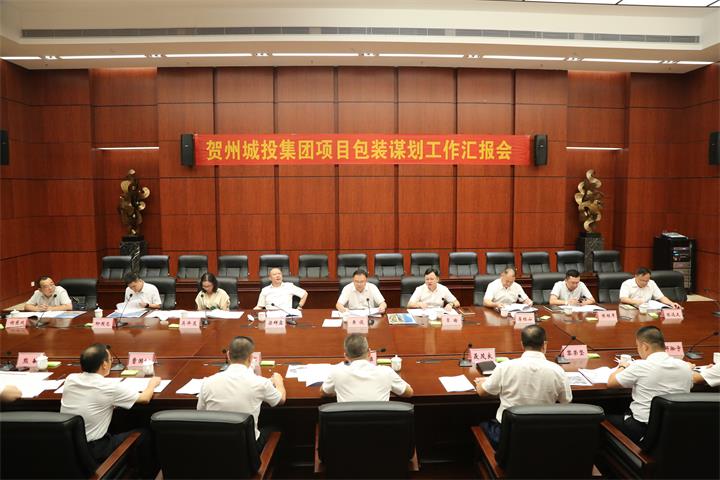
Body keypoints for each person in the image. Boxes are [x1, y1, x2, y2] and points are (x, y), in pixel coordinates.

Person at [61, 344, 161, 478]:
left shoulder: (70, 379)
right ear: (104, 364)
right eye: (110, 360)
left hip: (69, 448)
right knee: (144, 434)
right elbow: (144, 398)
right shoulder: (109, 387)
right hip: (96, 449)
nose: (111, 362)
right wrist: (152, 383)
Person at [475, 324, 571, 449]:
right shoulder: (558, 371)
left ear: (522, 344)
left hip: (508, 434)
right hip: (543, 436)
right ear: (544, 344)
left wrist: (480, 383)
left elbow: (482, 392)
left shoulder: (505, 367)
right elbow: (566, 401)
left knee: (483, 425)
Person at [197, 336, 286, 452]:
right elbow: (280, 400)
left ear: (228, 355)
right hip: (248, 450)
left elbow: (200, 414)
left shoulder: (208, 383)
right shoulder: (261, 383)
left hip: (215, 449)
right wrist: (279, 382)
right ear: (251, 358)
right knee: (276, 427)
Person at [607, 326, 693, 443]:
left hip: (642, 429)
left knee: (601, 419)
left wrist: (622, 366)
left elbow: (611, 383)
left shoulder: (640, 366)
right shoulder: (685, 367)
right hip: (675, 430)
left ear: (645, 346)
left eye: (637, 346)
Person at [321, 334, 413, 401]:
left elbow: (324, 392)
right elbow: (409, 393)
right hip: (380, 422)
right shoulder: (386, 372)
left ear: (346, 356)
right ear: (369, 353)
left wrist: (338, 388)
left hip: (348, 423)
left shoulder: (336, 372)